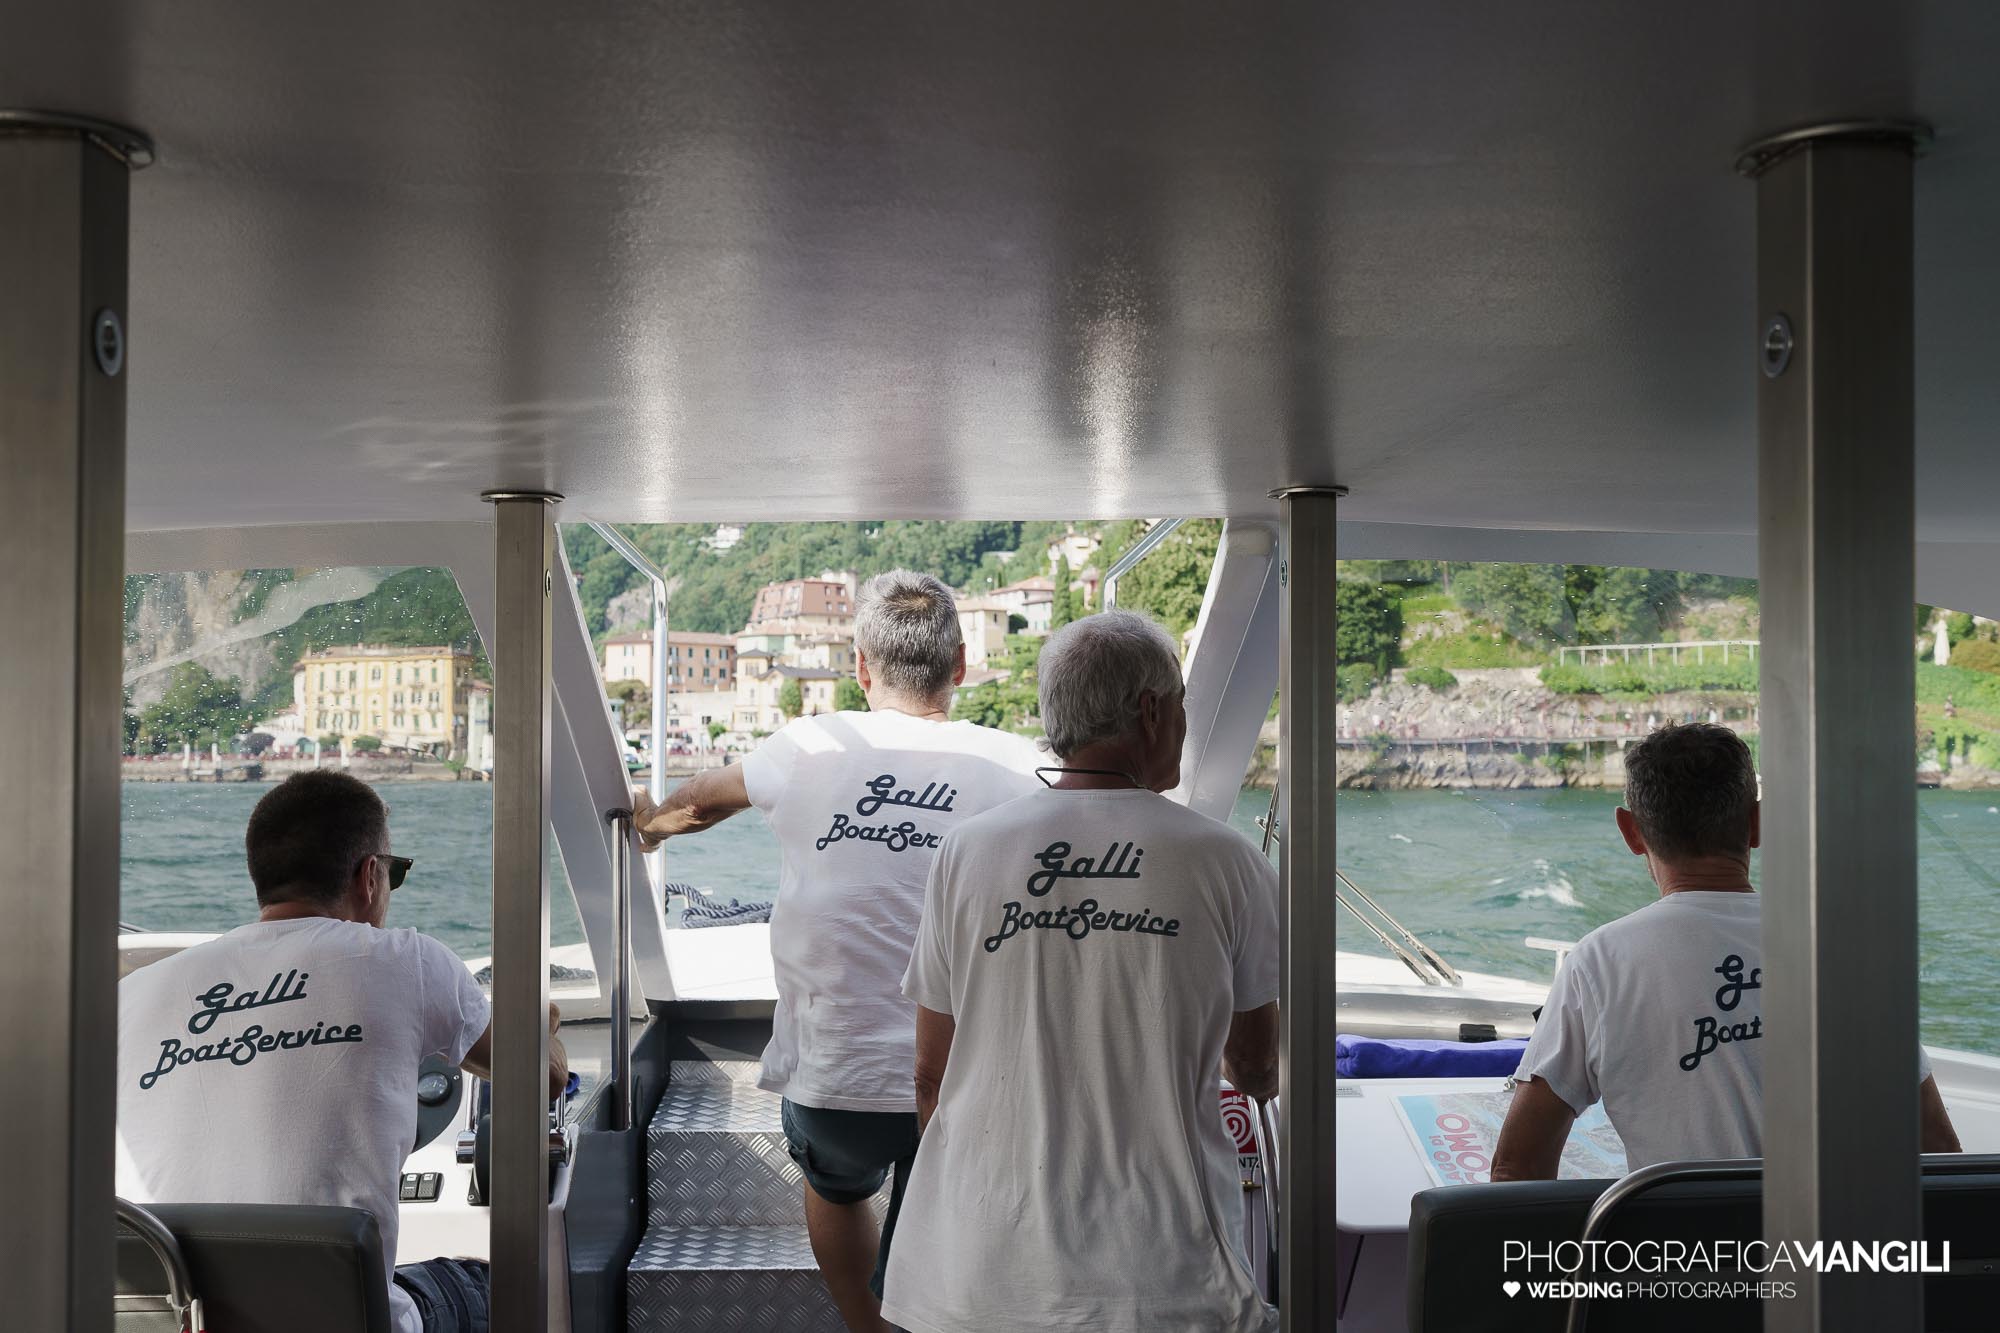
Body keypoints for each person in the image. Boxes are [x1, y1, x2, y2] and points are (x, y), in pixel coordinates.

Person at [632, 570, 1043, 1333]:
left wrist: (648, 826)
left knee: (836, 1185)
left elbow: (698, 803)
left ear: (860, 667)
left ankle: (865, 1322)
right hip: (967, 1079)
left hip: (835, 1080)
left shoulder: (807, 745)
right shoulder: (1017, 763)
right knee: (947, 1202)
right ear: (960, 664)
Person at [881, 610, 1280, 1333]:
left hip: (983, 1266)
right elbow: (1256, 1069)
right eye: (1182, 702)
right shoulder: (1227, 861)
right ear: (1152, 712)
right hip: (1164, 1276)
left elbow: (930, 1076)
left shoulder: (967, 852)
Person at [116, 770, 569, 1333]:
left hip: (179, 1314)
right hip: (346, 1318)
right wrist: (544, 1023)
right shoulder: (408, 962)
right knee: (498, 1283)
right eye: (394, 873)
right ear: (369, 875)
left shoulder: (131, 996)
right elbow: (542, 1076)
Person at [1492, 722, 1959, 1180]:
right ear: (1757, 823)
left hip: (1684, 1234)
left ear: (1631, 832)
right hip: (1837, 1234)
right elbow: (1938, 1150)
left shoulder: (1598, 964)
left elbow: (1516, 1168)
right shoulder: (1846, 951)